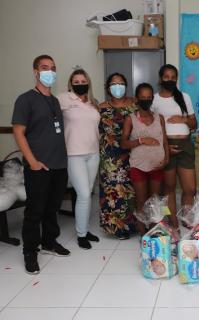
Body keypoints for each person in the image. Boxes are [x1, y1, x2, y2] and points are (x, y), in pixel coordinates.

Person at [12, 55, 70, 274]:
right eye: (45, 68)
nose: (50, 72)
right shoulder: (25, 99)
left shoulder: (54, 101)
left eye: (53, 68)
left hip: (58, 165)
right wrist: (33, 162)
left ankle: (48, 242)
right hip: (38, 166)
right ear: (35, 71)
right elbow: (18, 132)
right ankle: (30, 251)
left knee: (52, 208)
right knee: (35, 211)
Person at [58, 69, 100, 249]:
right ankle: (81, 235)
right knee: (83, 194)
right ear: (70, 83)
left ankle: (84, 229)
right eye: (76, 81)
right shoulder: (63, 98)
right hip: (73, 154)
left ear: (88, 82)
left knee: (87, 193)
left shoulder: (93, 102)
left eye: (83, 80)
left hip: (93, 153)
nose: (80, 83)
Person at [151, 64, 197, 229]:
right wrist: (164, 148)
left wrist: (183, 119)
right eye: (166, 77)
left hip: (185, 144)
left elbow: (194, 123)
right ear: (160, 79)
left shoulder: (184, 97)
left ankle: (187, 218)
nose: (170, 80)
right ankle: (173, 221)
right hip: (165, 145)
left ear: (177, 79)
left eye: (173, 77)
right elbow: (151, 128)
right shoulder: (154, 100)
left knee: (190, 188)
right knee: (169, 187)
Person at [120, 83, 169, 235]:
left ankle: (154, 231)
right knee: (141, 200)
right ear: (136, 99)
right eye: (143, 97)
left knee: (154, 200)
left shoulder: (159, 118)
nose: (146, 100)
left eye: (149, 97)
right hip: (138, 165)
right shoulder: (130, 119)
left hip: (157, 165)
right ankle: (142, 233)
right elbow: (123, 143)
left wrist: (166, 158)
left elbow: (165, 141)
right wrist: (141, 140)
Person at [98, 73, 136, 239]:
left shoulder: (135, 104)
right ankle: (116, 229)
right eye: (114, 84)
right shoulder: (101, 108)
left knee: (133, 191)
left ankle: (136, 226)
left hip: (134, 154)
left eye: (121, 83)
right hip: (110, 158)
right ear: (108, 87)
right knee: (113, 193)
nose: (118, 86)